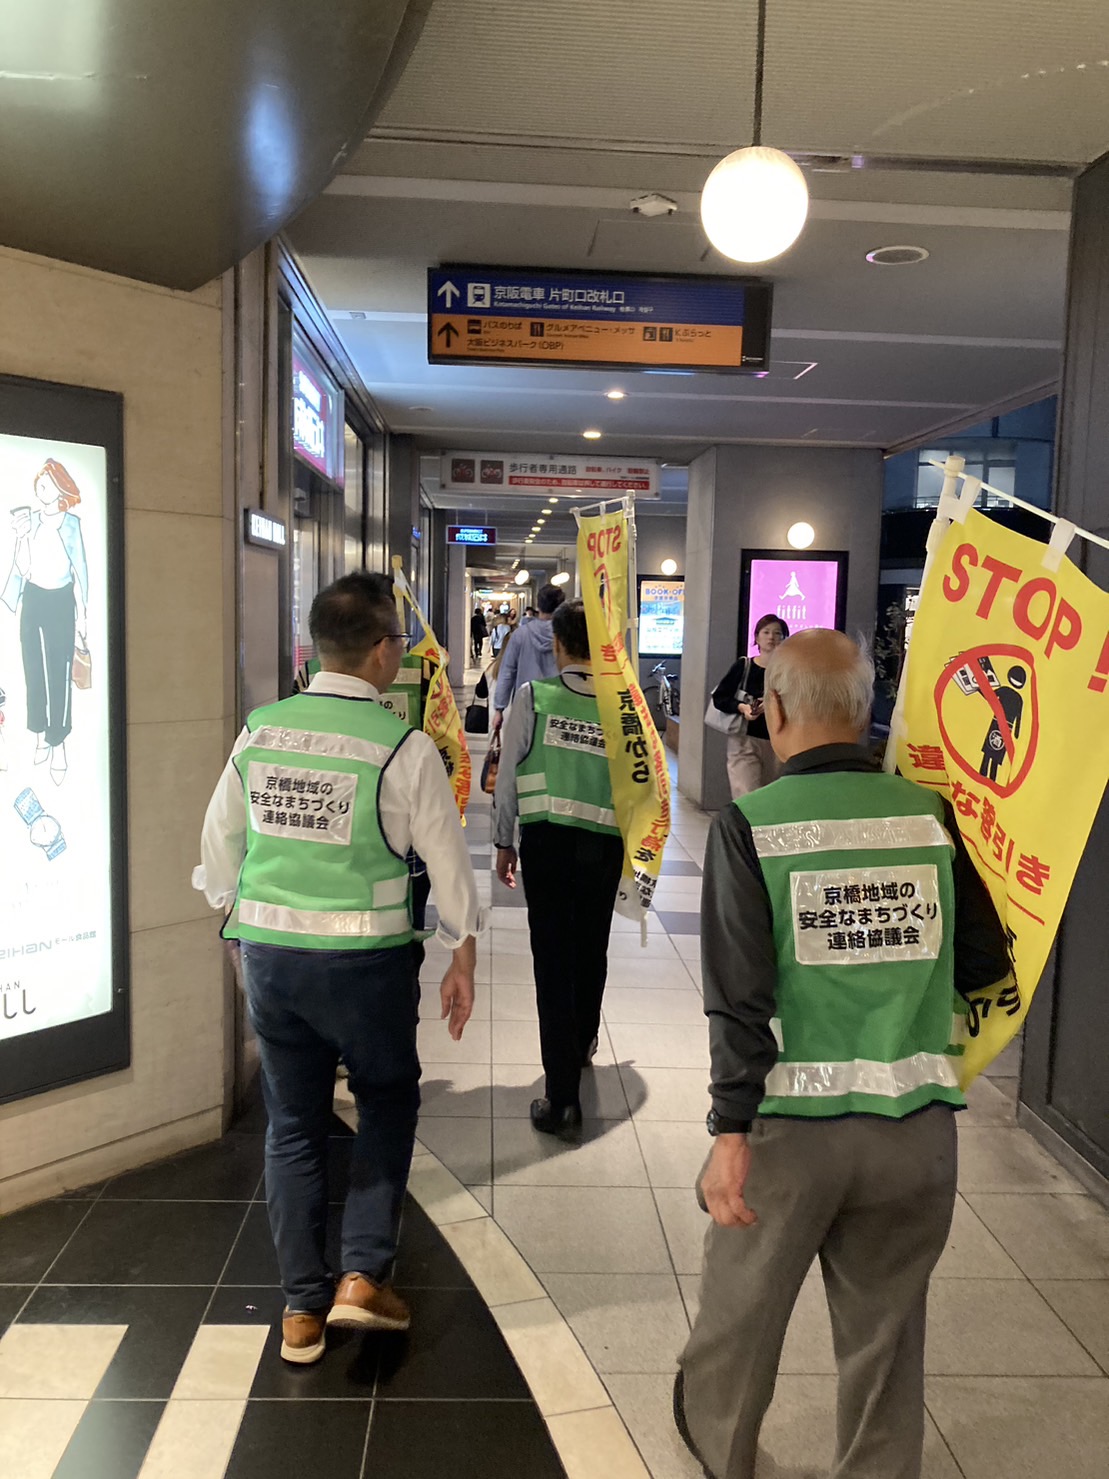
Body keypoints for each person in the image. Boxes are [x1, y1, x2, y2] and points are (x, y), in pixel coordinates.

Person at [674, 628, 1009, 1479]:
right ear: (864, 713)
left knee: (740, 1315)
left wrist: (728, 1134)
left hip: (793, 1130)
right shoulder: (930, 814)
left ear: (774, 709)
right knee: (886, 1336)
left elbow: (739, 999)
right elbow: (982, 963)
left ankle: (722, 1453)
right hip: (917, 1130)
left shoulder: (752, 823)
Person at [193, 572, 485, 1367]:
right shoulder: (401, 744)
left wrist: (241, 920)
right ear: (385, 650)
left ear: (314, 647)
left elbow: (219, 848)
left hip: (274, 962)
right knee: (386, 1103)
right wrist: (462, 950)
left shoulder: (262, 730)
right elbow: (448, 863)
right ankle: (362, 1274)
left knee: (292, 1125)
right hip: (366, 967)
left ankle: (299, 1311)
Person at [494, 599, 623, 1139]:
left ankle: (562, 1096)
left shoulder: (535, 697)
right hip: (606, 847)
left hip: (547, 844)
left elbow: (507, 775)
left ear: (562, 644)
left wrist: (504, 841)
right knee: (592, 945)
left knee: (552, 960)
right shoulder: (625, 707)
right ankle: (585, 1039)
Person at [3, 459, 89, 785]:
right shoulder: (32, 521)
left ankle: (59, 743)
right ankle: (39, 734)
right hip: (34, 599)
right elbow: (23, 569)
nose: (41, 489)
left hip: (61, 601)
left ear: (61, 489)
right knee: (33, 669)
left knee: (60, 673)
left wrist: (84, 617)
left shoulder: (71, 524)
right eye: (40, 483)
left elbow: (80, 570)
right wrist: (21, 537)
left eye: (48, 483)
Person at [711, 615, 788, 799]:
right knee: (746, 794)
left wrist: (772, 705)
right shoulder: (744, 666)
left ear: (785, 639)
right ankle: (746, 828)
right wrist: (743, 708)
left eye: (777, 633)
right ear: (757, 637)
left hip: (777, 742)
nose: (771, 637)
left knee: (770, 796)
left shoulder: (789, 672)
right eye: (766, 632)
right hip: (744, 739)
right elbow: (720, 698)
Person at [492, 582, 565, 729]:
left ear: (538, 606)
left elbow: (507, 672)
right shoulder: (566, 636)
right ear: (561, 606)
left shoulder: (520, 634)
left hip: (525, 703)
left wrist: (499, 708)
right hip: (559, 704)